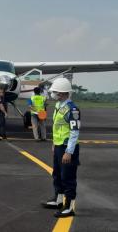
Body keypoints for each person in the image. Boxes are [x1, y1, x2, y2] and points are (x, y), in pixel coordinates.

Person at [41, 78, 81, 218]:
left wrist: (68, 152)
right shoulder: (59, 105)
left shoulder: (72, 109)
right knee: (57, 174)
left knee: (68, 177)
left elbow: (74, 132)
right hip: (59, 146)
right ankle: (58, 200)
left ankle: (69, 206)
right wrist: (54, 143)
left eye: (55, 92)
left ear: (62, 93)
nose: (53, 94)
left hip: (67, 148)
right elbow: (57, 127)